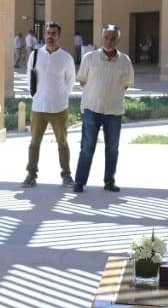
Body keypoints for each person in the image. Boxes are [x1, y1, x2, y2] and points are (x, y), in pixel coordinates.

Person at [72, 25, 135, 192]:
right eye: (106, 37)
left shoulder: (125, 61)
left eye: (113, 38)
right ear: (102, 38)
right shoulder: (89, 58)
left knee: (112, 148)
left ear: (118, 39)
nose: (109, 41)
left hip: (114, 111)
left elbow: (127, 84)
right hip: (92, 109)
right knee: (87, 147)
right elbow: (82, 81)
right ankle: (79, 182)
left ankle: (109, 181)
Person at [23, 22, 75, 188]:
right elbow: (29, 78)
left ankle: (66, 175)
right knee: (34, 143)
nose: (50, 36)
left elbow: (70, 82)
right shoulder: (35, 55)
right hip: (39, 107)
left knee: (63, 143)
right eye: (48, 33)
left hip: (59, 108)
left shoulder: (66, 58)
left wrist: (60, 97)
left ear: (59, 36)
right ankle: (31, 174)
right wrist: (37, 96)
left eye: (53, 33)